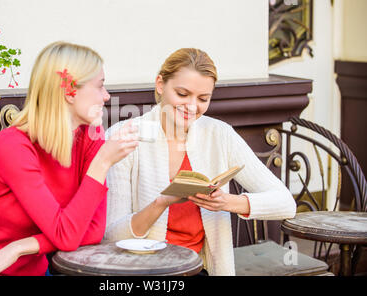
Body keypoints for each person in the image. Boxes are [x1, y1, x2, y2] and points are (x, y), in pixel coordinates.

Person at [0, 41, 139, 276]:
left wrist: (18, 248)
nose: (107, 96)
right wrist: (102, 163)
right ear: (70, 91)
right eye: (100, 86)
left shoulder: (91, 135)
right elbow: (67, 236)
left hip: (37, 270)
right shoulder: (13, 146)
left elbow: (92, 231)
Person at [103, 48, 296, 276]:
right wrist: (160, 203)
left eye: (203, 98)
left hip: (199, 269)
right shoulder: (125, 136)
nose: (192, 107)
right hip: (142, 271)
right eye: (182, 94)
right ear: (160, 84)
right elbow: (112, 235)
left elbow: (286, 203)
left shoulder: (219, 134)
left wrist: (226, 202)